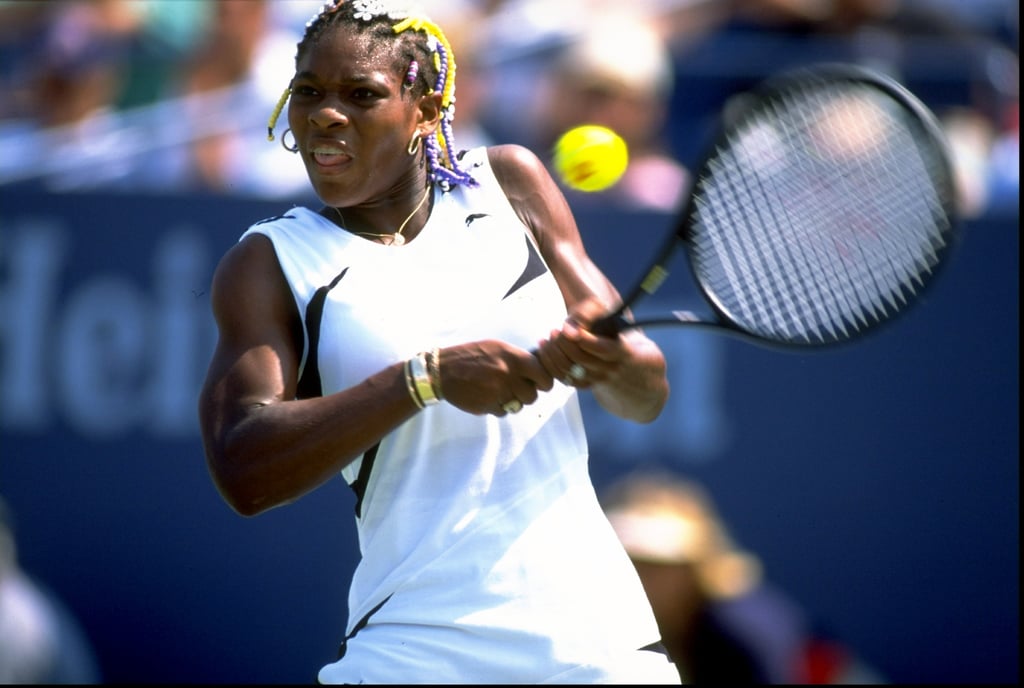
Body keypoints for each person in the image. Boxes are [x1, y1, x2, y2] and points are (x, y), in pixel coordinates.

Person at [197, 1, 677, 684]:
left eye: (362, 94)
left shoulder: (510, 182)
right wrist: (422, 380)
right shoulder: (272, 261)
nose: (326, 115)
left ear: (423, 110)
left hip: (591, 641)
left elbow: (645, 391)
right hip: (411, 649)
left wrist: (608, 357)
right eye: (308, 92)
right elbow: (243, 470)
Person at [601, 471, 886, 684]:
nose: (643, 576)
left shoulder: (756, 624)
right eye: (629, 560)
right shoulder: (577, 626)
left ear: (695, 567)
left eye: (660, 563)